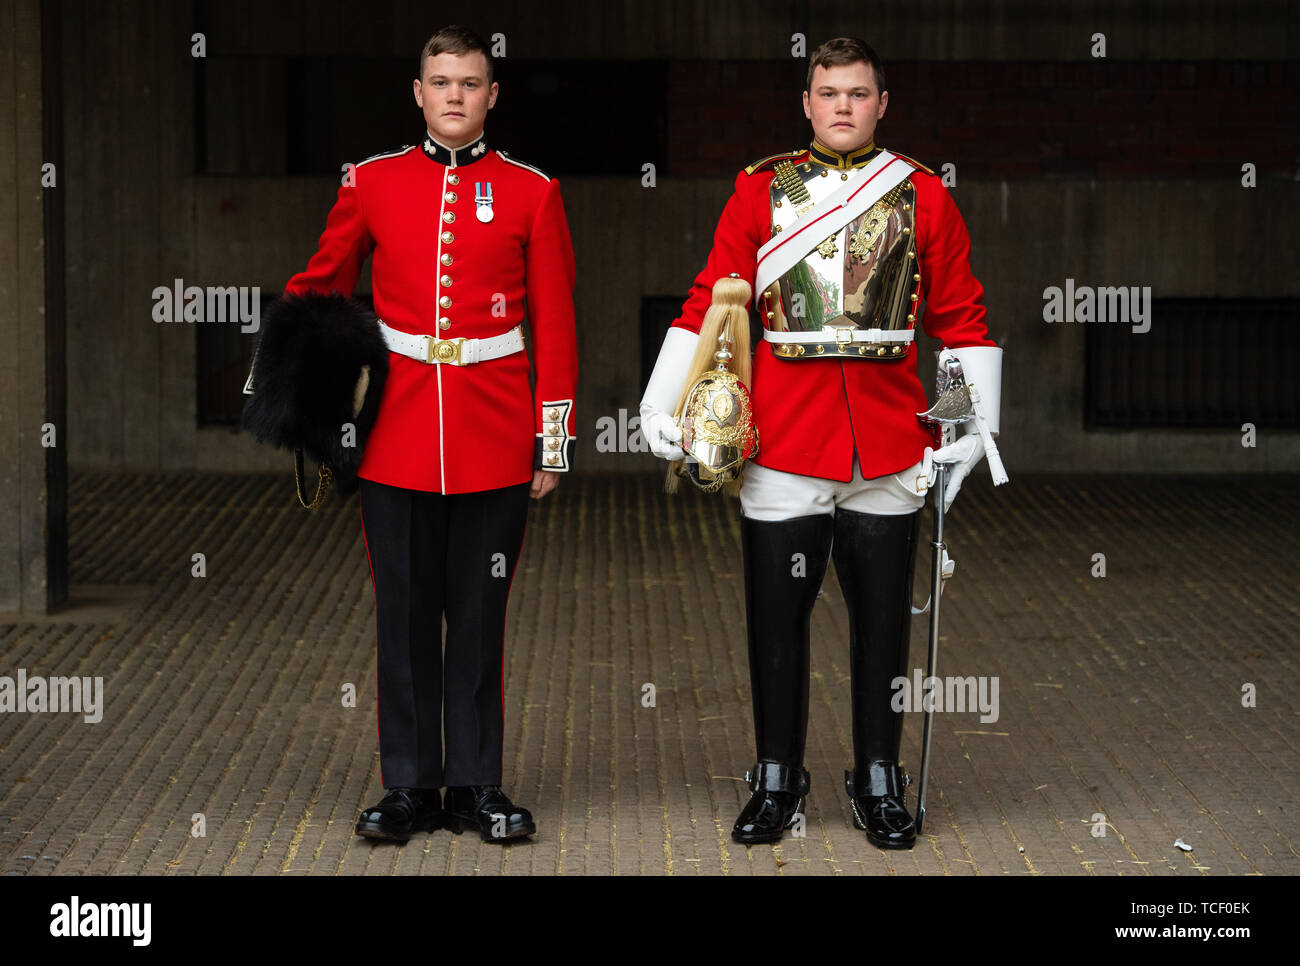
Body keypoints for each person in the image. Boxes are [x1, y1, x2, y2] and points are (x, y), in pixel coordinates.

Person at [640, 37, 1002, 849]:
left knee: (884, 626)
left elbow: (960, 319)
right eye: (829, 92)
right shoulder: (760, 188)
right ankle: (777, 778)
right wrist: (661, 402)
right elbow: (714, 296)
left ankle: (878, 778)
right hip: (783, 439)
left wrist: (968, 424)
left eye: (858, 93)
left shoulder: (921, 192)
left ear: (882, 103)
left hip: (888, 442)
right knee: (776, 625)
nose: (843, 106)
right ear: (806, 103)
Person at [278, 25, 577, 843]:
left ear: (492, 95)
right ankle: (408, 787)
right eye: (440, 81)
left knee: (479, 619)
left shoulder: (532, 191)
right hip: (396, 435)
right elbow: (320, 284)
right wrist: (285, 382)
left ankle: (477, 786)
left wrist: (551, 440)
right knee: (404, 621)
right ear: (418, 92)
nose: (454, 95)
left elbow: (555, 323)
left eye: (470, 83)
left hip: (495, 434)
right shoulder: (373, 182)